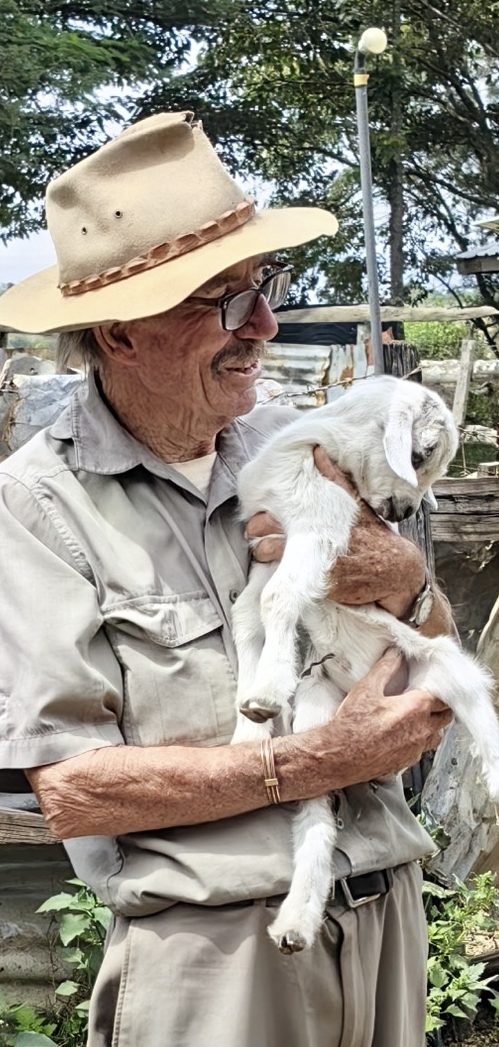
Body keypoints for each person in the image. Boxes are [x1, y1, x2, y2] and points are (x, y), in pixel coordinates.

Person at [0, 111, 454, 1047]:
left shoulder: (308, 448)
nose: (265, 324)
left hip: (386, 925)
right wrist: (314, 764)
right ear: (120, 334)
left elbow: (431, 658)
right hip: (218, 959)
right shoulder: (35, 507)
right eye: (224, 299)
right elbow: (71, 789)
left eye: (262, 286)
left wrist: (406, 580)